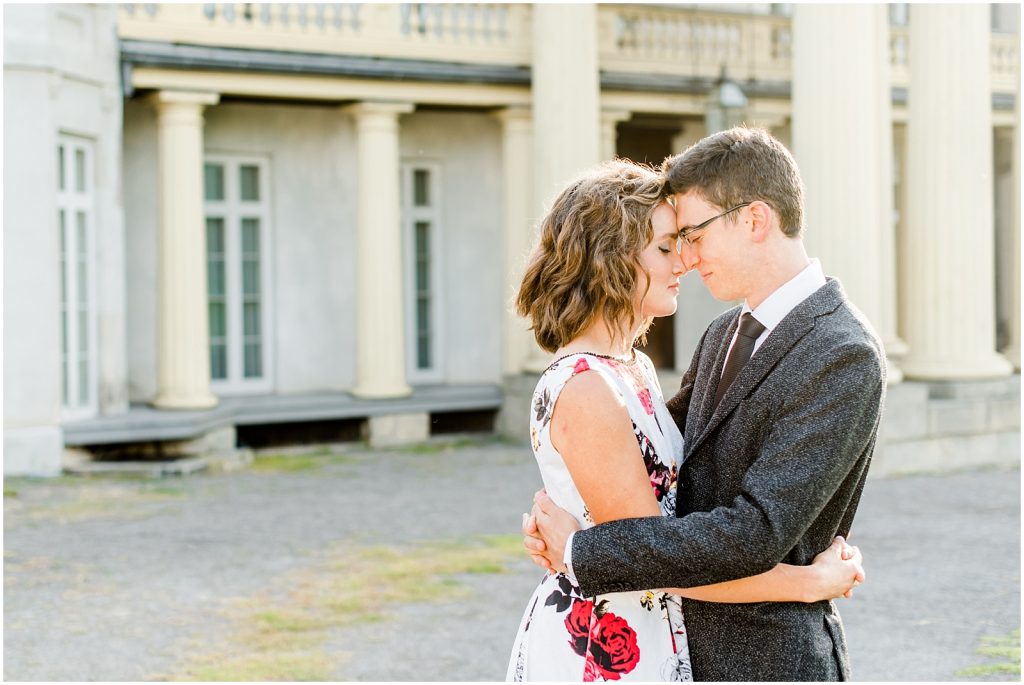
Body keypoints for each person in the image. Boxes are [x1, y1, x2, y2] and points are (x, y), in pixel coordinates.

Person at [524, 127, 887, 681]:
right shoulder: (722, 334)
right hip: (659, 641)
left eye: (692, 233)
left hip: (764, 658)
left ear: (754, 220)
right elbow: (651, 467)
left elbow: (756, 532)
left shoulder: (842, 352)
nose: (687, 258)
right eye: (672, 243)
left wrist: (581, 551)